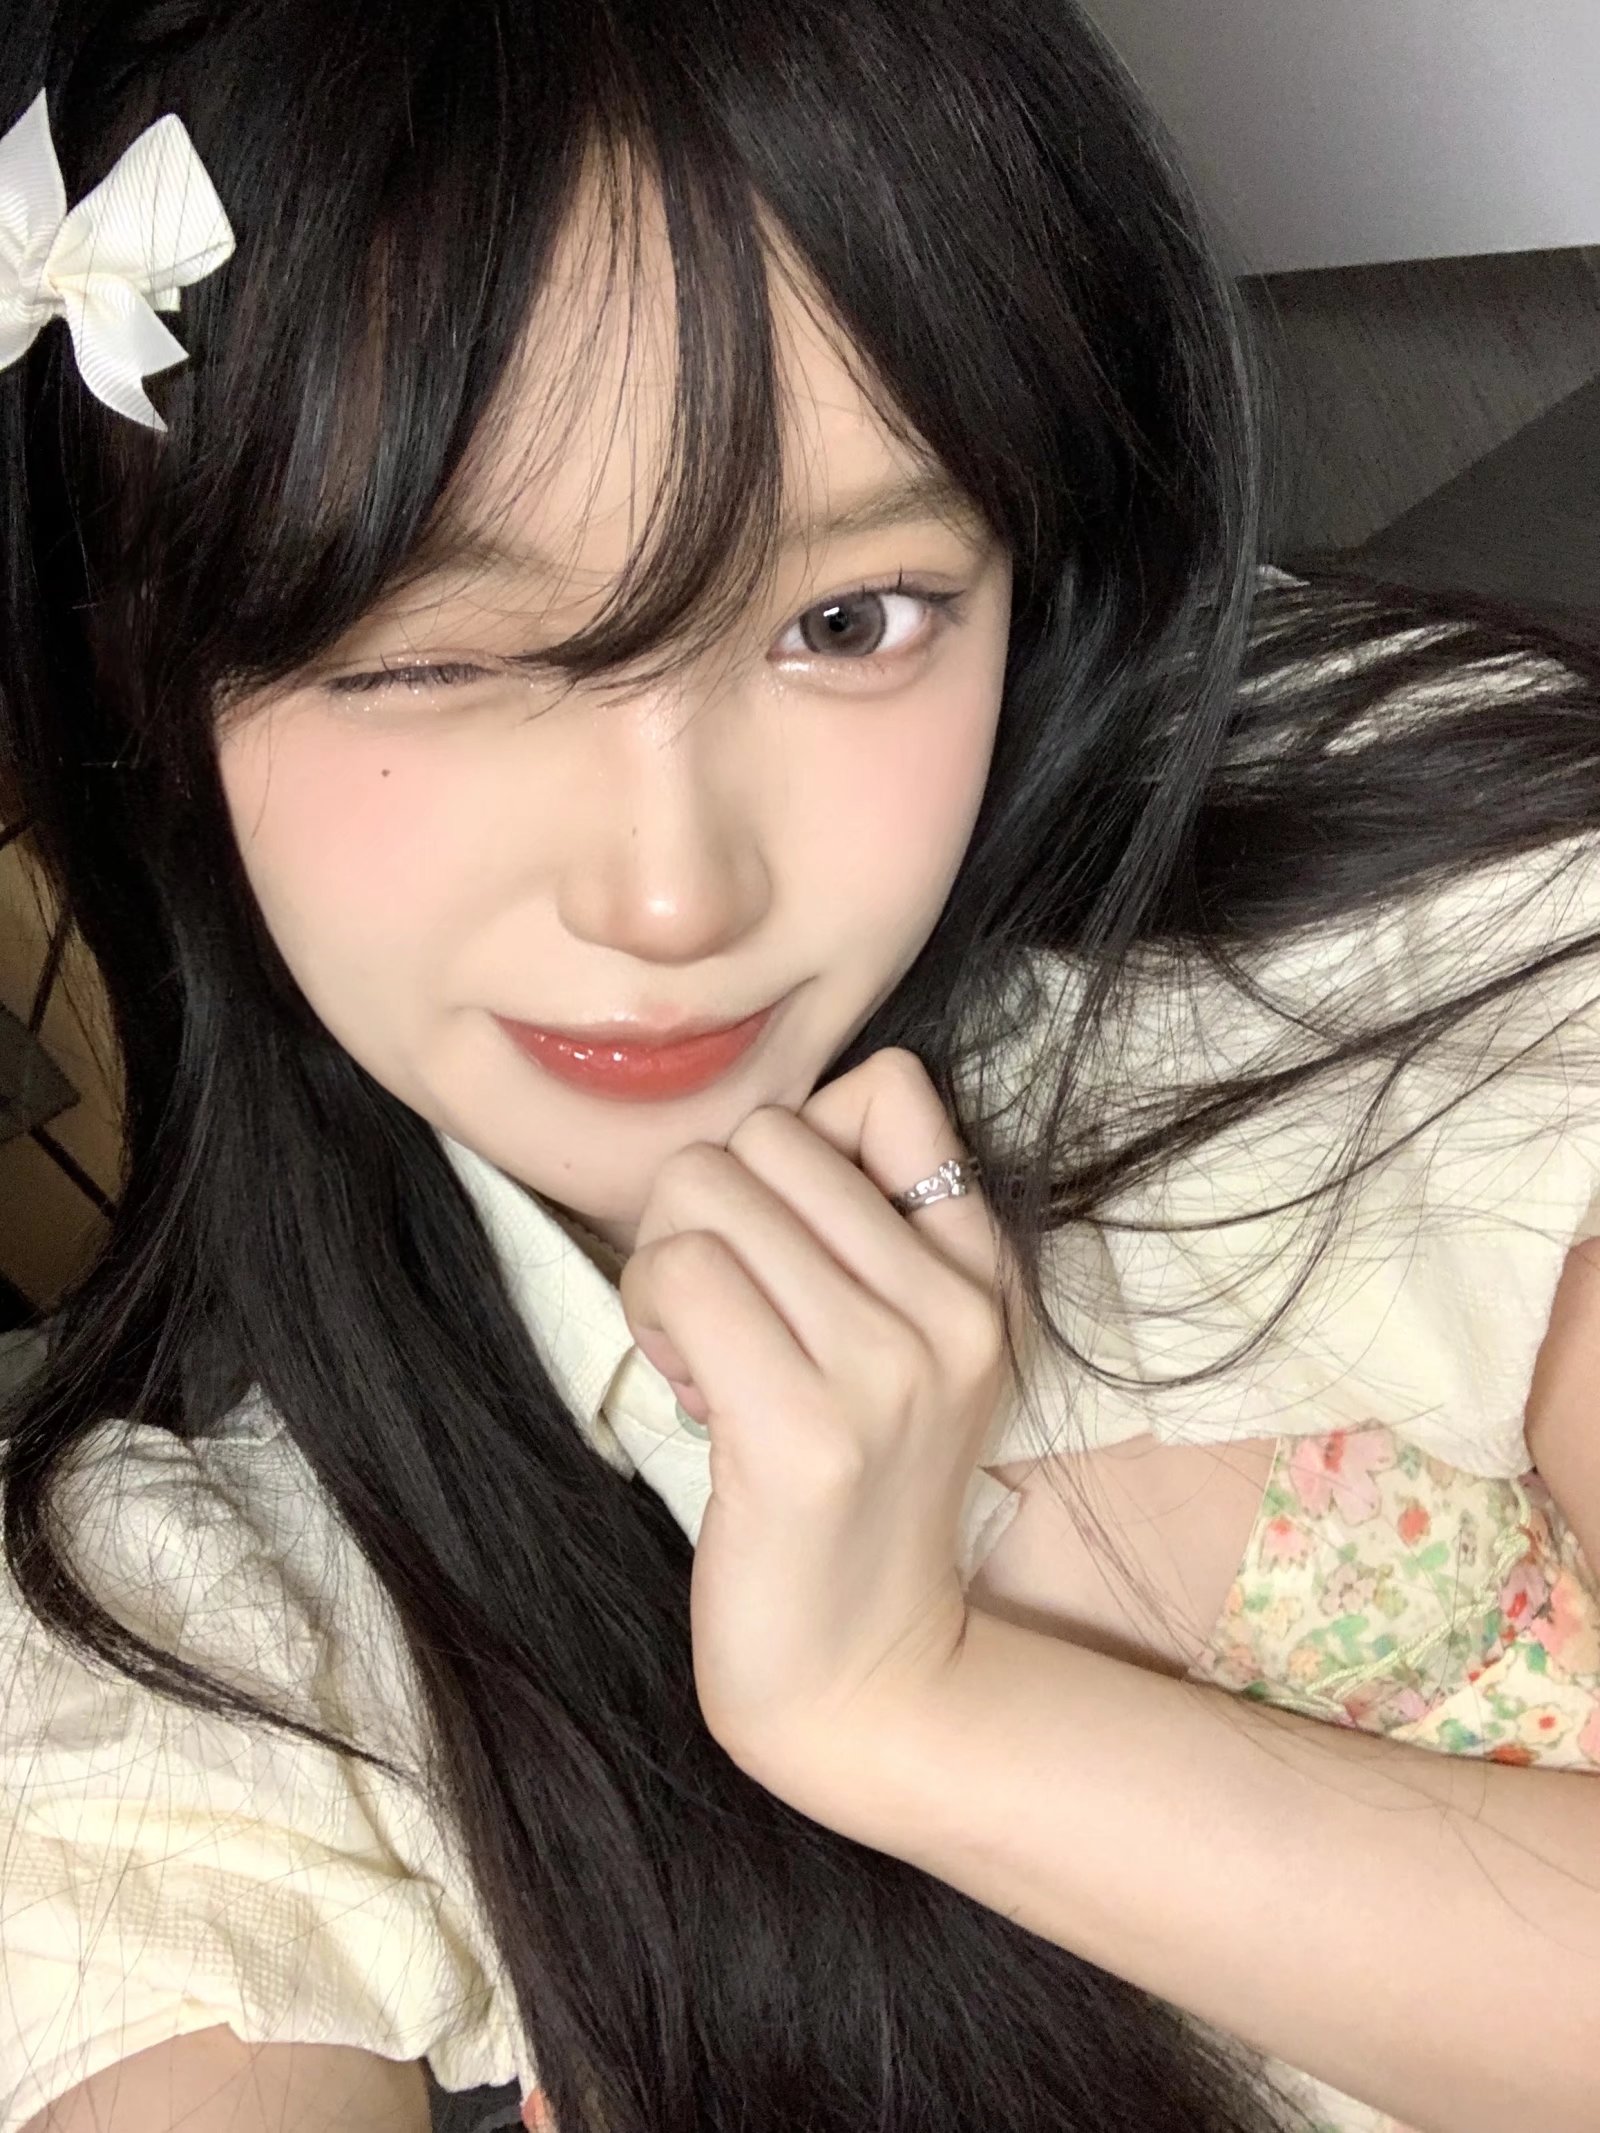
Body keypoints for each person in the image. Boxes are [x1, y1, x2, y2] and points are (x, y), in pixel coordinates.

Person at [1, 3, 1598, 2131]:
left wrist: (907, 1705)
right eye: (439, 653)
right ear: (150, 656)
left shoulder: (1377, 926)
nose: (675, 895)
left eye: (850, 620)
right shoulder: (201, 1609)